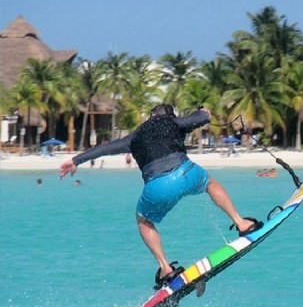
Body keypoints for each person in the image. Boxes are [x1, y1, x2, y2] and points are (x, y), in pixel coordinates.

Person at [60, 104, 262, 288]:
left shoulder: (134, 137)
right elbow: (201, 117)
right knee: (210, 183)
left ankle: (165, 267)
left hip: (158, 187)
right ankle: (241, 223)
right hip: (187, 173)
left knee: (143, 219)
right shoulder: (174, 122)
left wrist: (76, 160)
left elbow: (103, 149)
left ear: (150, 117)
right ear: (170, 114)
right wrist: (206, 111)